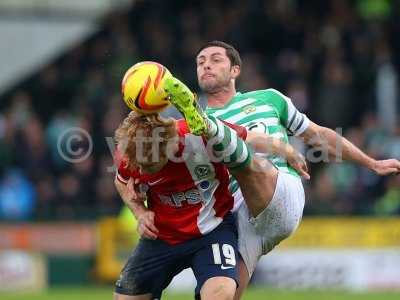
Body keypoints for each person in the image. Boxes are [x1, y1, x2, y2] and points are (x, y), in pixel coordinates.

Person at [164, 40, 400, 299]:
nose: (206, 64)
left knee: (241, 155)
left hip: (280, 189)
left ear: (235, 70)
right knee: (218, 294)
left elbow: (318, 134)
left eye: (216, 59)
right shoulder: (190, 129)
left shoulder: (269, 99)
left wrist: (371, 163)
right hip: (240, 220)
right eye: (200, 62)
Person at [113, 111, 306, 300]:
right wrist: (140, 212)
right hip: (162, 236)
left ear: (169, 149)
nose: (141, 170)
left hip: (212, 231)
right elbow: (121, 181)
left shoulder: (201, 134)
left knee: (222, 293)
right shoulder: (133, 153)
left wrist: (289, 151)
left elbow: (250, 137)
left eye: (148, 166)